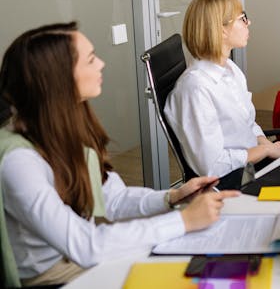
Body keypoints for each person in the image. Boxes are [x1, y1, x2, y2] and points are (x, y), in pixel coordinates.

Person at [0, 22, 238, 286]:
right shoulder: (18, 161)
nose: (101, 64)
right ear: (59, 79)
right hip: (53, 278)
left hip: (79, 260)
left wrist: (172, 198)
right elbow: (85, 245)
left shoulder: (66, 128)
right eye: (90, 60)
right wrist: (183, 220)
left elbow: (113, 200)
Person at [165, 0, 280, 178]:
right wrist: (266, 152)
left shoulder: (230, 69)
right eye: (242, 18)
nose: (248, 23)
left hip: (250, 165)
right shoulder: (195, 88)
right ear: (222, 29)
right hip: (231, 181)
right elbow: (212, 166)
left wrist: (270, 146)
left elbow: (248, 124)